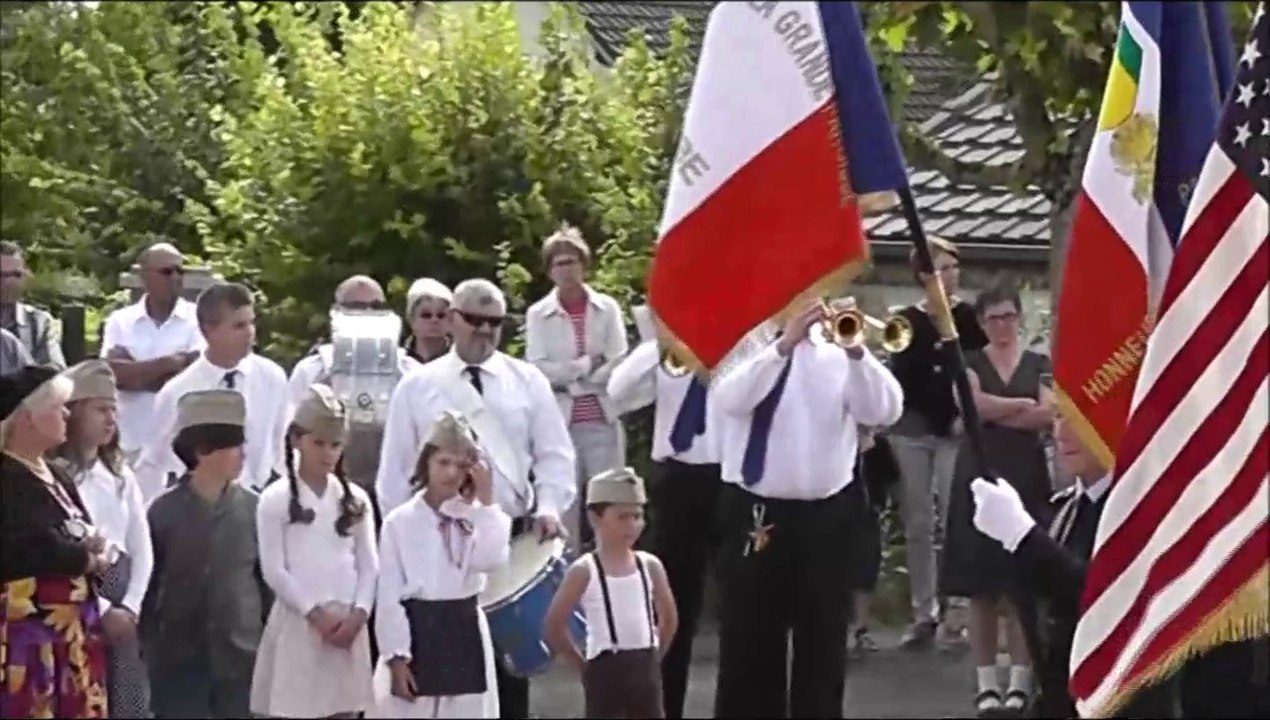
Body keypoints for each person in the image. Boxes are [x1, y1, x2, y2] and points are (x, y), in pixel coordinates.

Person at [376, 278, 577, 719]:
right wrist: (408, 542)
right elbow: (394, 475)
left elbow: (555, 455)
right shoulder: (417, 386)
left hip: (507, 540)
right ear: (452, 320)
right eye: (475, 320)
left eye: (495, 322)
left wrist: (547, 506)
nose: (485, 330)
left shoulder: (528, 380)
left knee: (509, 676)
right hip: (438, 547)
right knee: (439, 681)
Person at [710, 298, 904, 719]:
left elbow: (885, 409)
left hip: (827, 515)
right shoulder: (748, 344)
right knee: (751, 639)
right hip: (758, 512)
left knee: (823, 641)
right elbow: (729, 399)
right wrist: (782, 347)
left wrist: (857, 352)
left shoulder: (837, 355)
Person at [970, 414, 1179, 719]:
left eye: (1079, 418)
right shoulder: (1066, 508)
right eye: (1057, 417)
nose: (1062, 432)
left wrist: (1023, 537)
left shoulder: (1139, 509)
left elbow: (1100, 599)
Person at [940, 282, 1055, 717]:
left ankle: (1022, 680)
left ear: (1019, 317)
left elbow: (1048, 415)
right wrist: (1019, 405)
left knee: (1021, 586)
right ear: (982, 323)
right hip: (979, 479)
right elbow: (972, 407)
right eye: (993, 318)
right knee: (981, 588)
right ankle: (987, 681)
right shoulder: (968, 362)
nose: (1002, 325)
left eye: (1009, 316)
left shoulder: (1039, 362)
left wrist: (1001, 408)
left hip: (1026, 478)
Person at [606, 313, 721, 719]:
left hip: (733, 480)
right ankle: (663, 709)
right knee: (672, 609)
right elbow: (618, 393)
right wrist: (657, 342)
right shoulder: (669, 343)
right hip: (678, 479)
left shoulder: (746, 336)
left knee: (745, 609)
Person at [369, 411, 511, 719]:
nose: (451, 473)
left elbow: (492, 558)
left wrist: (486, 503)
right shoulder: (400, 522)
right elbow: (389, 595)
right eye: (443, 462)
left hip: (463, 628)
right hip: (417, 630)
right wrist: (396, 657)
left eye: (461, 465)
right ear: (427, 463)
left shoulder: (474, 517)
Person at [141, 390, 273, 719]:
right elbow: (150, 585)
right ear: (202, 450)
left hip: (243, 657)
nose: (243, 454)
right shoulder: (162, 512)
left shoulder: (256, 509)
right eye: (233, 445)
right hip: (180, 661)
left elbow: (267, 583)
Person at [251, 384, 378, 719]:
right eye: (318, 443)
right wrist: (314, 613)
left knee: (344, 709)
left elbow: (369, 565)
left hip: (347, 626)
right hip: (300, 621)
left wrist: (359, 614)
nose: (327, 453)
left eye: (335, 444)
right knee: (295, 708)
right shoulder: (275, 499)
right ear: (297, 440)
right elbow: (274, 570)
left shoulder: (356, 500)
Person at [886, 236, 988, 651]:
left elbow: (978, 367)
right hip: (913, 432)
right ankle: (922, 611)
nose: (948, 276)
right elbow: (902, 377)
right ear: (923, 277)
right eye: (939, 269)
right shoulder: (907, 320)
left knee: (953, 514)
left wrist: (967, 412)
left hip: (954, 433)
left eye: (952, 267)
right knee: (918, 522)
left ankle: (957, 609)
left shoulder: (968, 318)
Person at [0, 364, 111, 718]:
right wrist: (86, 559)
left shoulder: (57, 471)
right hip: (28, 633)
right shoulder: (7, 476)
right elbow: (31, 546)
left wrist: (94, 545)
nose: (66, 414)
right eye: (57, 407)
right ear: (27, 419)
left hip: (75, 631)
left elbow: (77, 526)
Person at [52, 360, 154, 718]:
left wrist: (130, 606)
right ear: (74, 413)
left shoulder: (120, 475)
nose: (110, 419)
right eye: (100, 409)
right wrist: (104, 609)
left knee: (126, 700)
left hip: (122, 595)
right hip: (79, 597)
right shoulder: (57, 477)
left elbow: (142, 546)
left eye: (114, 409)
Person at [133, 283, 290, 501]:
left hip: (258, 500)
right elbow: (153, 462)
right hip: (199, 506)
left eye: (251, 323)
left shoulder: (272, 378)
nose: (250, 333)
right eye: (239, 326)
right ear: (208, 330)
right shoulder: (179, 392)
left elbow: (281, 445)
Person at [544, 467, 679, 719]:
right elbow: (554, 623)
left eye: (637, 516)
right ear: (595, 518)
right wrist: (583, 666)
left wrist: (653, 656)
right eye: (622, 517)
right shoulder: (585, 570)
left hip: (645, 664)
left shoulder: (649, 565)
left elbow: (669, 616)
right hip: (604, 667)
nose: (632, 525)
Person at [525, 224, 629, 551]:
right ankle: (565, 579)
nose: (566, 270)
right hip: (561, 422)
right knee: (565, 503)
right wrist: (581, 368)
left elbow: (619, 361)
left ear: (584, 264)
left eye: (572, 262)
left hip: (603, 418)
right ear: (549, 270)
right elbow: (538, 369)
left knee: (607, 502)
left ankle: (609, 570)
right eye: (559, 263)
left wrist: (586, 378)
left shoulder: (607, 308)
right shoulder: (538, 314)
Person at [98, 243, 204, 465]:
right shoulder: (120, 320)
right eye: (166, 272)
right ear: (145, 276)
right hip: (129, 442)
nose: (175, 277)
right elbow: (113, 376)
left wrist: (137, 371)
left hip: (178, 446)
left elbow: (196, 377)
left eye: (180, 271)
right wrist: (173, 362)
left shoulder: (199, 319)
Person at [287, 275, 419, 405]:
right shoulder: (310, 371)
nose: (368, 312)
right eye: (357, 306)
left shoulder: (409, 370)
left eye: (376, 306)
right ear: (337, 310)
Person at [847, 428, 900, 656]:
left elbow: (892, 478)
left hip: (867, 512)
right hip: (830, 509)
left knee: (866, 567)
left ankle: (861, 628)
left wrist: (882, 504)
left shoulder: (879, 446)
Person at [0, 241, 65, 367]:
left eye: (16, 275)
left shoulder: (39, 323)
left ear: (25, 276)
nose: (8, 282)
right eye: (1, 275)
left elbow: (56, 370)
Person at [402, 277, 454, 364]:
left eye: (441, 315)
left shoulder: (461, 362)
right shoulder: (396, 360)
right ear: (411, 319)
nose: (434, 320)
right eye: (426, 315)